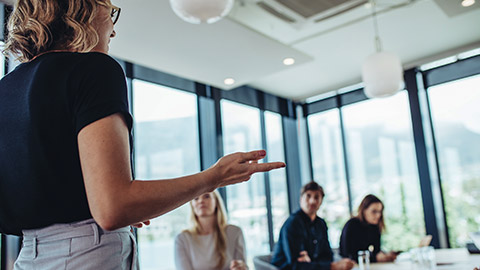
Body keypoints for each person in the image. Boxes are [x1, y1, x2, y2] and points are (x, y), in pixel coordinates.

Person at [0, 0, 285, 269]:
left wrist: (124, 206)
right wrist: (213, 177)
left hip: (29, 256)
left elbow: (55, 192)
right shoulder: (94, 69)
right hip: (88, 255)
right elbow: (113, 209)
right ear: (83, 10)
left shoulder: (6, 89)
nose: (113, 29)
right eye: (110, 13)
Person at [271, 181, 354, 270]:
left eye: (317, 197)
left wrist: (312, 262)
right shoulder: (292, 224)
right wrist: (331, 266)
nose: (312, 201)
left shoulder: (320, 224)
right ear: (300, 199)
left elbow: (327, 255)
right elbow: (295, 264)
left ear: (321, 201)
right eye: (308, 196)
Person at [175, 190, 247, 270]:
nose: (201, 201)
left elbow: (241, 265)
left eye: (206, 196)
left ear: (216, 202)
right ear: (192, 205)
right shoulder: (182, 239)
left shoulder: (234, 232)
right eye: (196, 198)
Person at [339, 194, 397, 263]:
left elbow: (376, 251)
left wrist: (384, 256)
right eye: (374, 211)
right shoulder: (351, 225)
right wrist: (375, 258)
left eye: (380, 211)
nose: (378, 215)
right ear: (364, 210)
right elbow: (348, 255)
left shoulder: (375, 227)